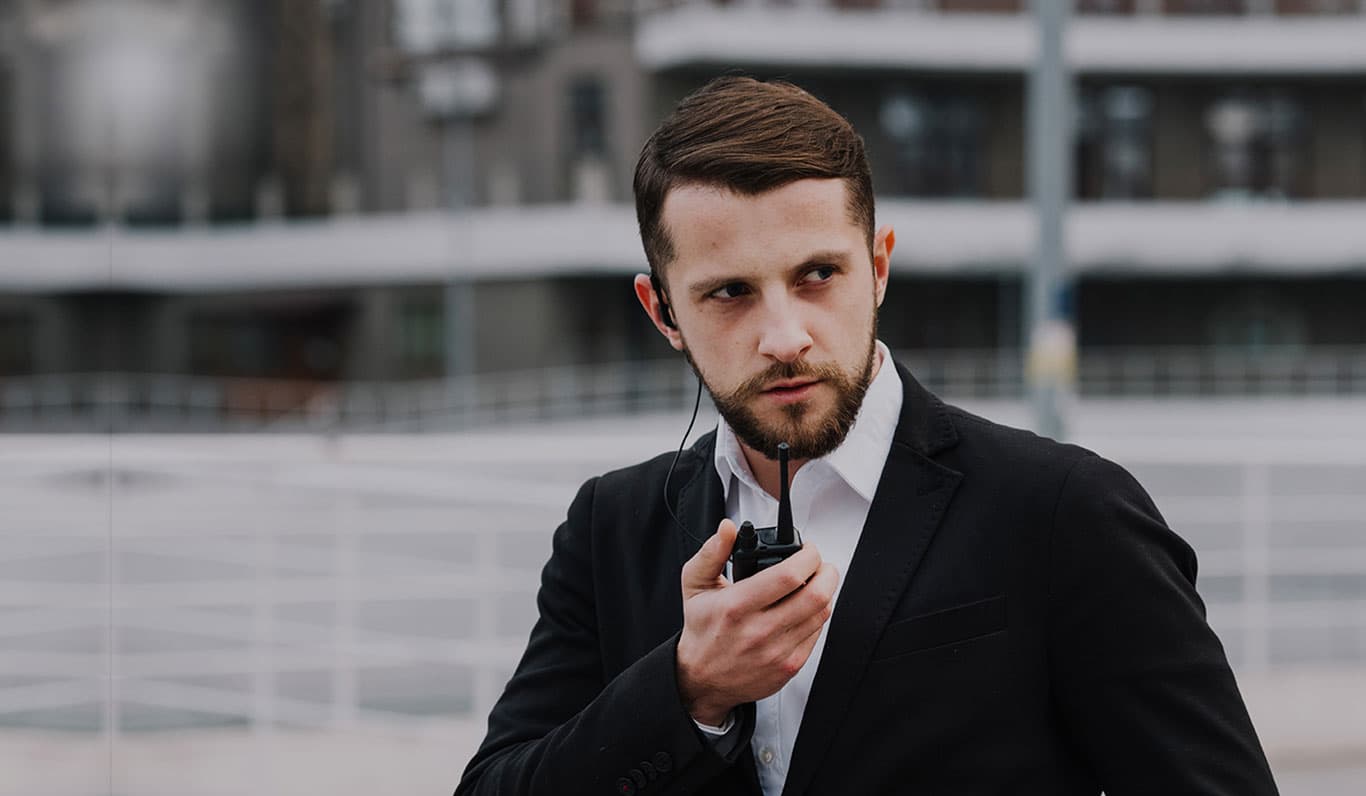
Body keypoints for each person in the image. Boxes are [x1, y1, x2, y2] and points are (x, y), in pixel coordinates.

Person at [455, 77, 1278, 796]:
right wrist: (686, 688)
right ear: (662, 311)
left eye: (818, 275)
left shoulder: (1063, 511)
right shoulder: (611, 527)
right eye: (730, 293)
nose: (785, 336)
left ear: (878, 266)